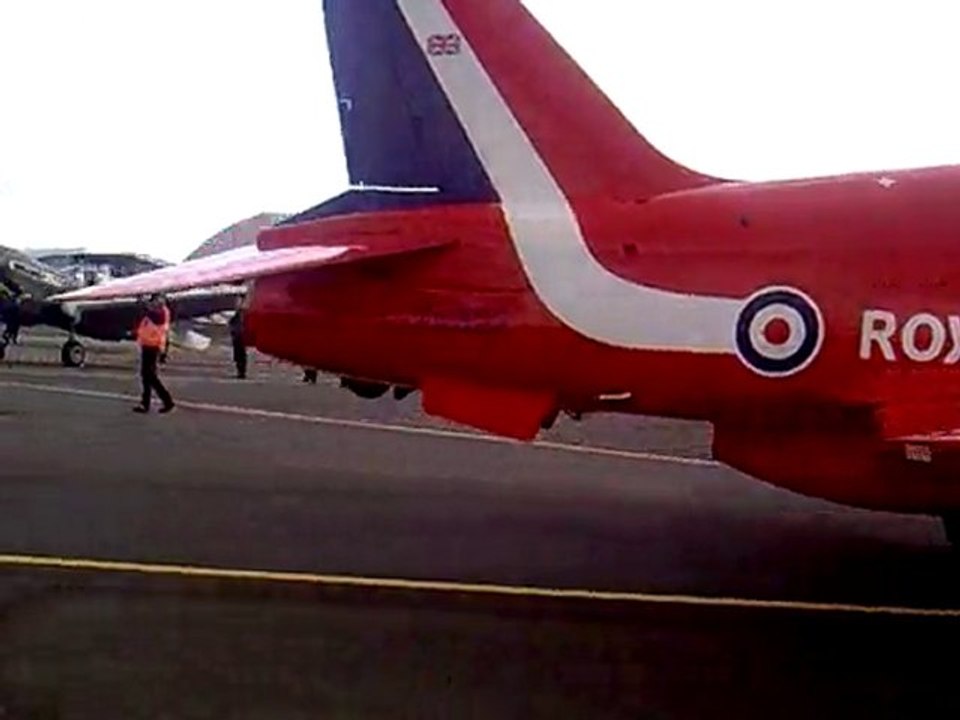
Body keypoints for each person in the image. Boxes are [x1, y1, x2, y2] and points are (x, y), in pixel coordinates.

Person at [133, 294, 175, 414]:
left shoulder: (161, 313)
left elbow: (153, 316)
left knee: (150, 376)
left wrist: (143, 304)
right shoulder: (155, 312)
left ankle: (167, 401)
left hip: (153, 346)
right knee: (146, 376)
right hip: (147, 345)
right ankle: (145, 403)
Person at [228, 309, 248, 379]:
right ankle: (240, 371)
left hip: (241, 338)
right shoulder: (235, 319)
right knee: (238, 356)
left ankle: (241, 372)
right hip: (238, 338)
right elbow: (231, 326)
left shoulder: (245, 319)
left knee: (241, 356)